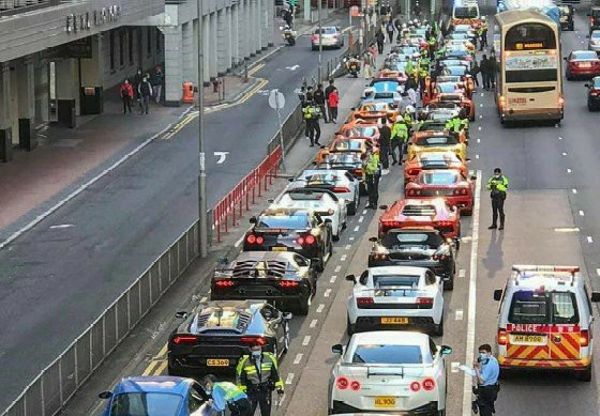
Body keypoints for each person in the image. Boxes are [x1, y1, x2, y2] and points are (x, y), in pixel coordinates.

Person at [236, 345, 284, 416]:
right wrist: (242, 394)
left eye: (258, 349)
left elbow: (276, 376)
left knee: (266, 413)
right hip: (251, 392)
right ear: (250, 350)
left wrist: (280, 389)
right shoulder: (244, 362)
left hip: (265, 391)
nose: (257, 352)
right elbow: (240, 379)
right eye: (254, 350)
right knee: (248, 413)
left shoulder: (269, 359)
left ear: (261, 348)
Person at [473, 344, 500, 416]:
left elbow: (481, 381)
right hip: (492, 389)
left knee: (485, 412)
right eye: (480, 353)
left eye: (483, 353)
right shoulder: (493, 360)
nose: (481, 354)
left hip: (486, 391)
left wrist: (476, 369)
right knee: (488, 410)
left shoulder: (489, 365)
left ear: (489, 353)